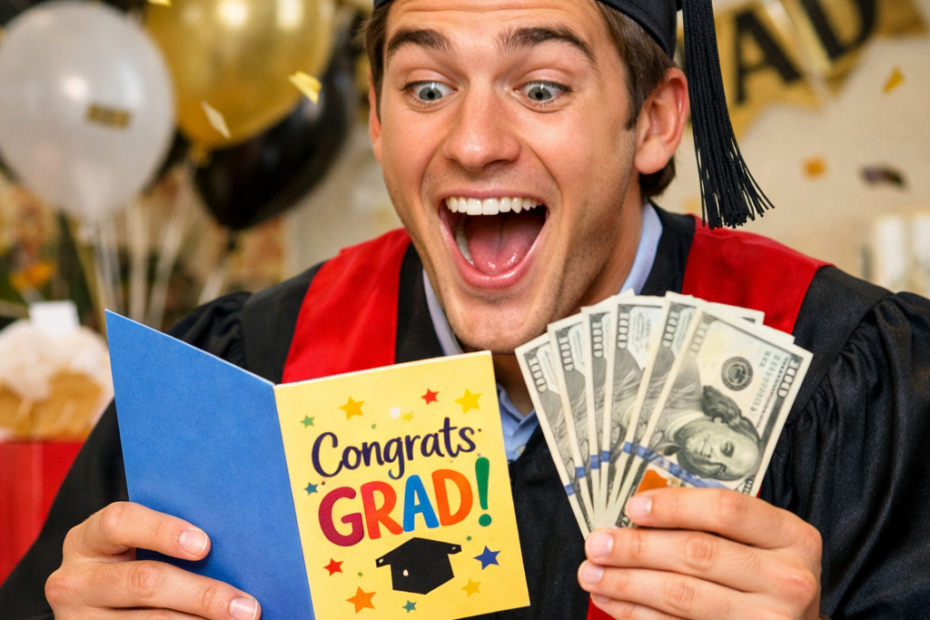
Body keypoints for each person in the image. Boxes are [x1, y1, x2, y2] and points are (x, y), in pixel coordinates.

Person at [3, 0, 930, 618]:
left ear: (654, 121)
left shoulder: (850, 374)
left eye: (542, 88)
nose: (475, 143)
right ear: (377, 121)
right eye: (428, 89)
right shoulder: (245, 372)